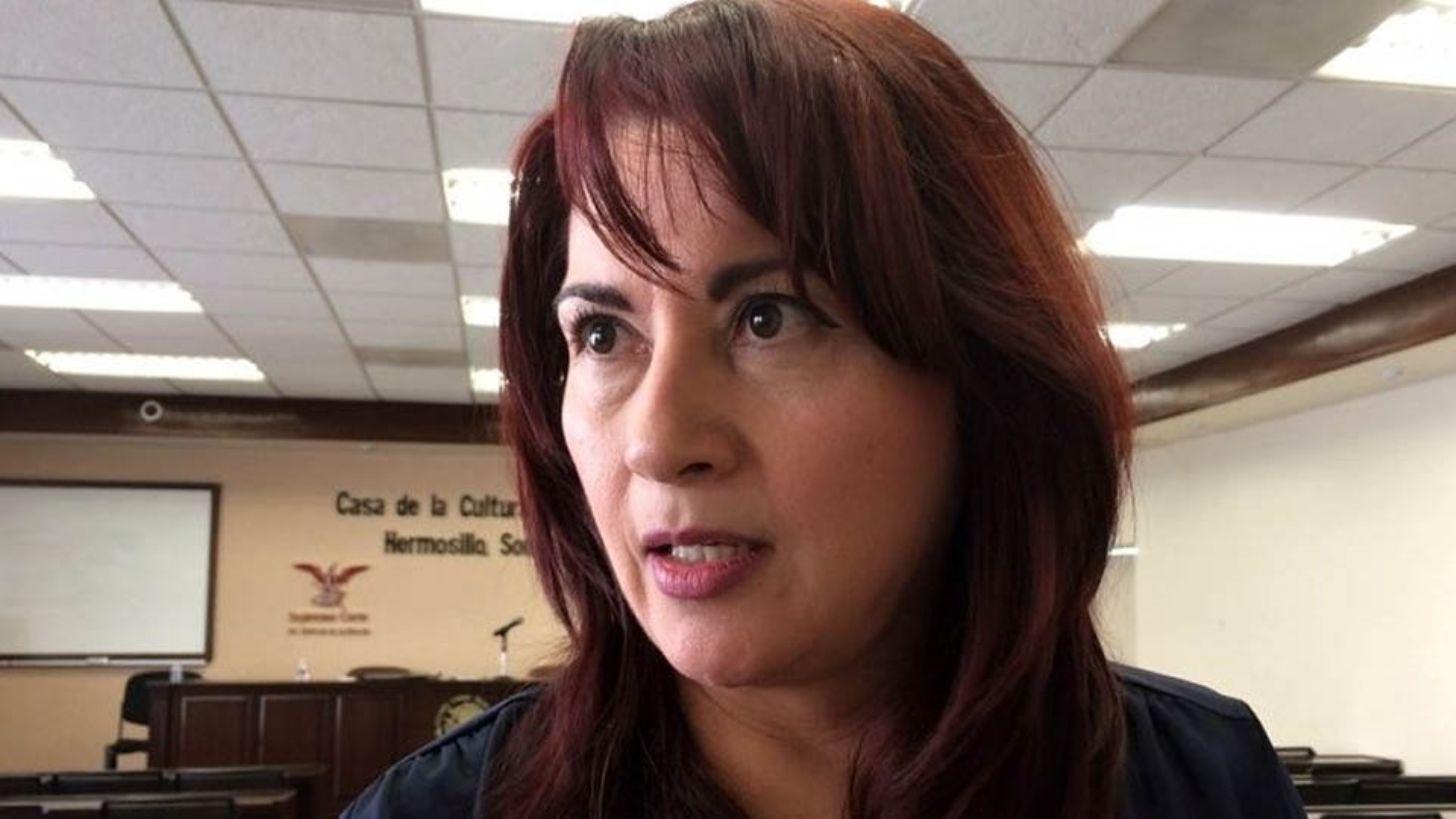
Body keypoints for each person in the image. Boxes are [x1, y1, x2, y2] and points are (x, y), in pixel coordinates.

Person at [345, 0, 1306, 816]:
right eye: (602, 334)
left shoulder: (1200, 783)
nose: (657, 440)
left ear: (983, 381)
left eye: (769, 317)